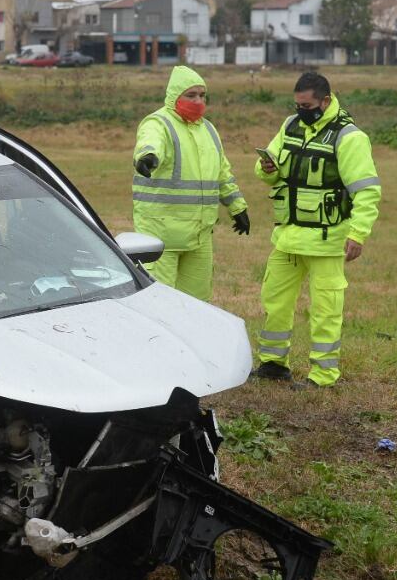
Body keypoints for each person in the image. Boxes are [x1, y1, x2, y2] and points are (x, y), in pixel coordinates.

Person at [251, 72, 381, 388]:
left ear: (325, 101)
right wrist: (267, 168)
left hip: (327, 241)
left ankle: (322, 375)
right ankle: (272, 364)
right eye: (297, 105)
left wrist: (358, 233)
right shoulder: (290, 126)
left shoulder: (349, 137)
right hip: (287, 238)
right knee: (274, 301)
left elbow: (366, 191)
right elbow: (266, 172)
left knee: (325, 310)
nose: (301, 111)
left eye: (307, 105)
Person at [132, 66, 249, 301]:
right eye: (191, 95)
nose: (198, 101)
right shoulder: (158, 123)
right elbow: (150, 142)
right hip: (162, 235)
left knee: (197, 304)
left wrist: (238, 207)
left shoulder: (208, 129)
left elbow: (222, 173)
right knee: (159, 302)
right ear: (175, 96)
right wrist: (147, 157)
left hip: (199, 236)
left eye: (202, 95)